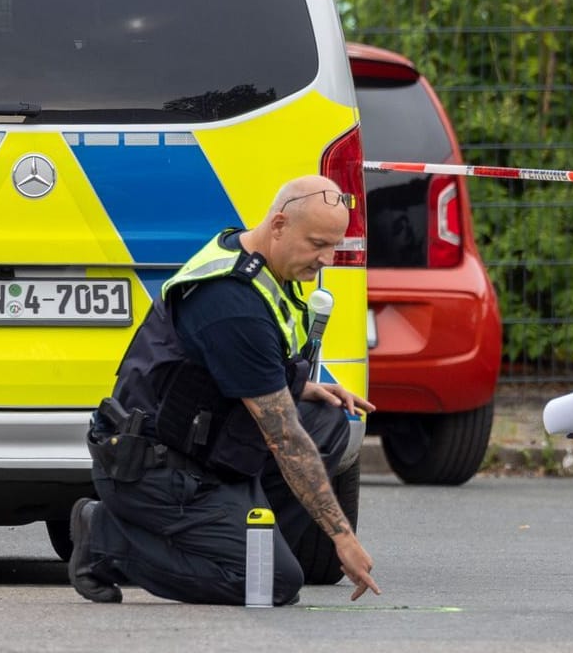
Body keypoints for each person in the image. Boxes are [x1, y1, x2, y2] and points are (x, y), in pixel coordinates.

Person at [68, 175, 381, 605]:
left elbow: (232, 367)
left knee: (326, 422)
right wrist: (342, 538)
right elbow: (284, 436)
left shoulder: (260, 259)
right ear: (278, 225)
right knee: (272, 584)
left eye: (334, 246)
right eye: (317, 244)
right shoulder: (231, 303)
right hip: (151, 467)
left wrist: (301, 386)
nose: (326, 259)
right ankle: (105, 538)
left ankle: (249, 544)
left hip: (198, 439)